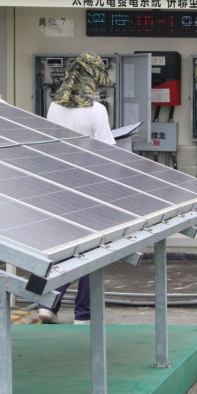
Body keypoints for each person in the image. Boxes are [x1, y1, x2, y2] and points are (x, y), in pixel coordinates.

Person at [37, 52, 115, 325]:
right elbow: (108, 151)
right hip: (89, 188)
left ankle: (47, 305)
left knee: (61, 249)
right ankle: (84, 314)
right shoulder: (97, 111)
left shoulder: (54, 107)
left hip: (59, 186)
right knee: (90, 251)